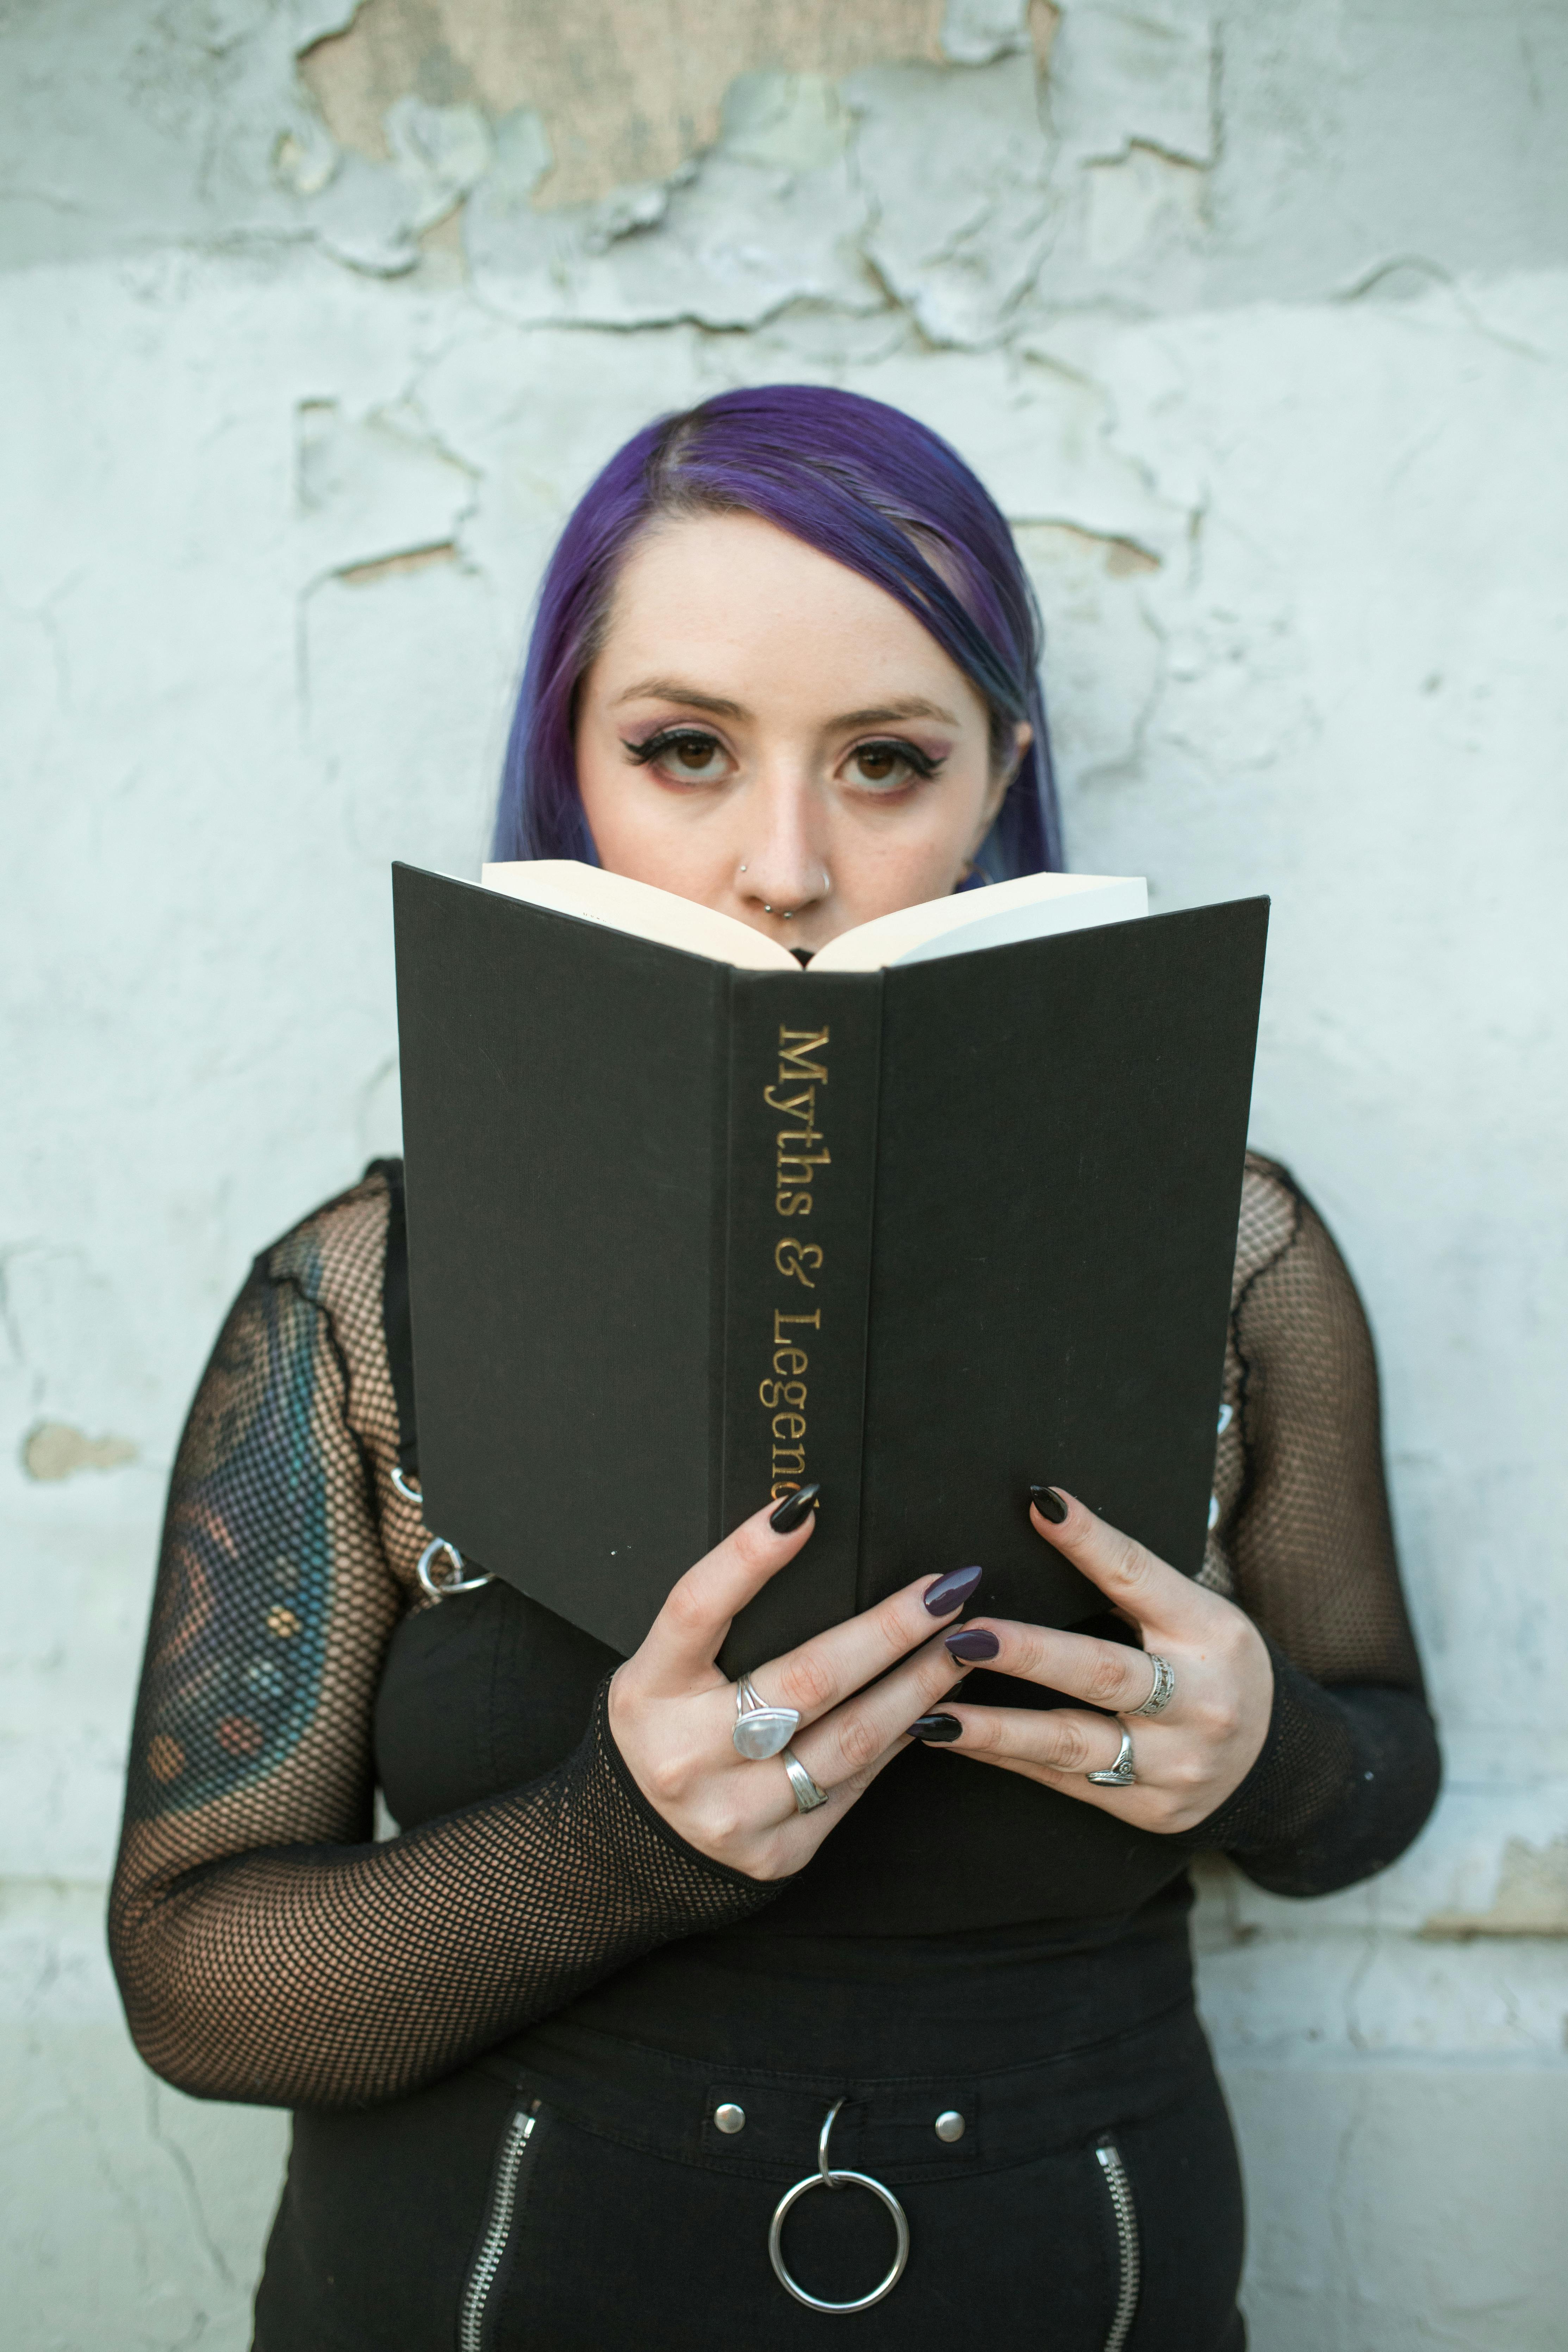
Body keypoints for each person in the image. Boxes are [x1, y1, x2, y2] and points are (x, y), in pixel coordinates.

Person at [109, 386, 1440, 2351]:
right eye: (683, 751)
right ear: (566, 767)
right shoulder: (362, 1299)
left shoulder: (1231, 1251)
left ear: (1002, 772)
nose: (784, 865)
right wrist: (607, 1853)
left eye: (886, 761)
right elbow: (196, 1980)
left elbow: (1375, 1780)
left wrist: (1269, 1753)